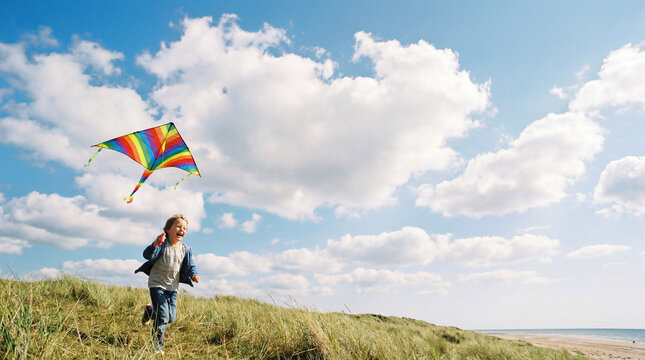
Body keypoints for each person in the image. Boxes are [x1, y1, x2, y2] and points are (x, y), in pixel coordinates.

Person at [134, 214, 200, 354]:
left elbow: (190, 265)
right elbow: (147, 255)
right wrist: (154, 244)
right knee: (163, 317)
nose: (181, 229)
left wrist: (194, 274)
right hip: (157, 284)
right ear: (168, 229)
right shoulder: (162, 244)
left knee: (170, 317)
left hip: (173, 287)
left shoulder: (185, 250)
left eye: (184, 228)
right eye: (178, 226)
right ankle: (157, 346)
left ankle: (149, 312)